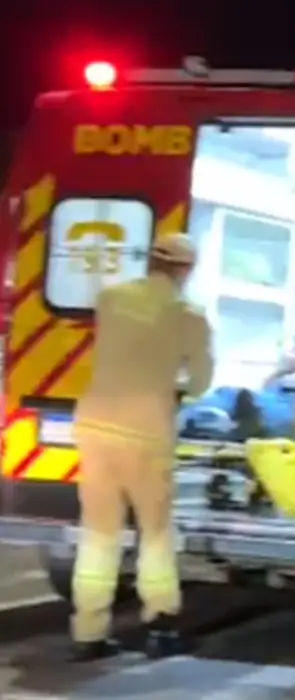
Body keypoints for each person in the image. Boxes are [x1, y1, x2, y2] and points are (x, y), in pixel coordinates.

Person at [70, 233, 213, 661]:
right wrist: (176, 387)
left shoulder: (112, 299)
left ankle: (88, 633)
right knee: (154, 533)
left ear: (151, 260)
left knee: (98, 532)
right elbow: (201, 382)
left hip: (95, 426)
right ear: (185, 270)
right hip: (146, 432)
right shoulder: (188, 315)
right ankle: (161, 625)